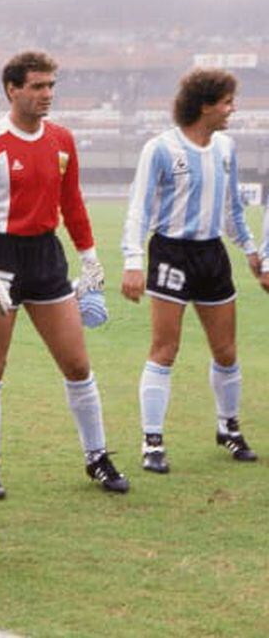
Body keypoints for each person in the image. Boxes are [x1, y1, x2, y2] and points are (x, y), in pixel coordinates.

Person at [0, 50, 128, 499]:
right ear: (12, 89)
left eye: (51, 86)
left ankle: (97, 457)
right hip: (1, 258)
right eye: (37, 86)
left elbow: (72, 203)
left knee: (77, 363)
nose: (46, 94)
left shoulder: (62, 140)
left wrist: (89, 257)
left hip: (47, 257)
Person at [121, 67, 259, 473]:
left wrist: (251, 250)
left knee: (226, 351)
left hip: (212, 255)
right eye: (227, 102)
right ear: (205, 105)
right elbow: (139, 209)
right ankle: (152, 441)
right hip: (171, 255)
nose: (232, 109)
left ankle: (228, 428)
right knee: (165, 350)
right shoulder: (161, 148)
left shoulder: (227, 149)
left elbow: (233, 208)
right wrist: (134, 261)